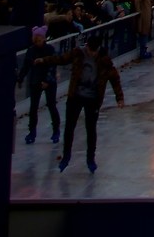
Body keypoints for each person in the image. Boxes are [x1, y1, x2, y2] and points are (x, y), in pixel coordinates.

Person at [57, 32, 123, 173]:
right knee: (70, 127)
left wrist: (119, 97)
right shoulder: (78, 54)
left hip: (92, 99)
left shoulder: (104, 60)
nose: (91, 53)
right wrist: (43, 61)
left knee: (91, 129)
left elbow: (114, 78)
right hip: (75, 97)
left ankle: (90, 158)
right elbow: (61, 59)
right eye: (89, 49)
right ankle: (66, 156)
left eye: (93, 50)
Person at [21, 28, 61, 147]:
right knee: (33, 107)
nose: (37, 40)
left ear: (43, 38)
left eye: (39, 38)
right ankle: (32, 132)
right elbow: (26, 65)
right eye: (35, 38)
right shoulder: (31, 51)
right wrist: (20, 77)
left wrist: (47, 81)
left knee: (51, 105)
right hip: (36, 81)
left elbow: (52, 66)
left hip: (49, 82)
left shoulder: (50, 49)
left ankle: (56, 130)